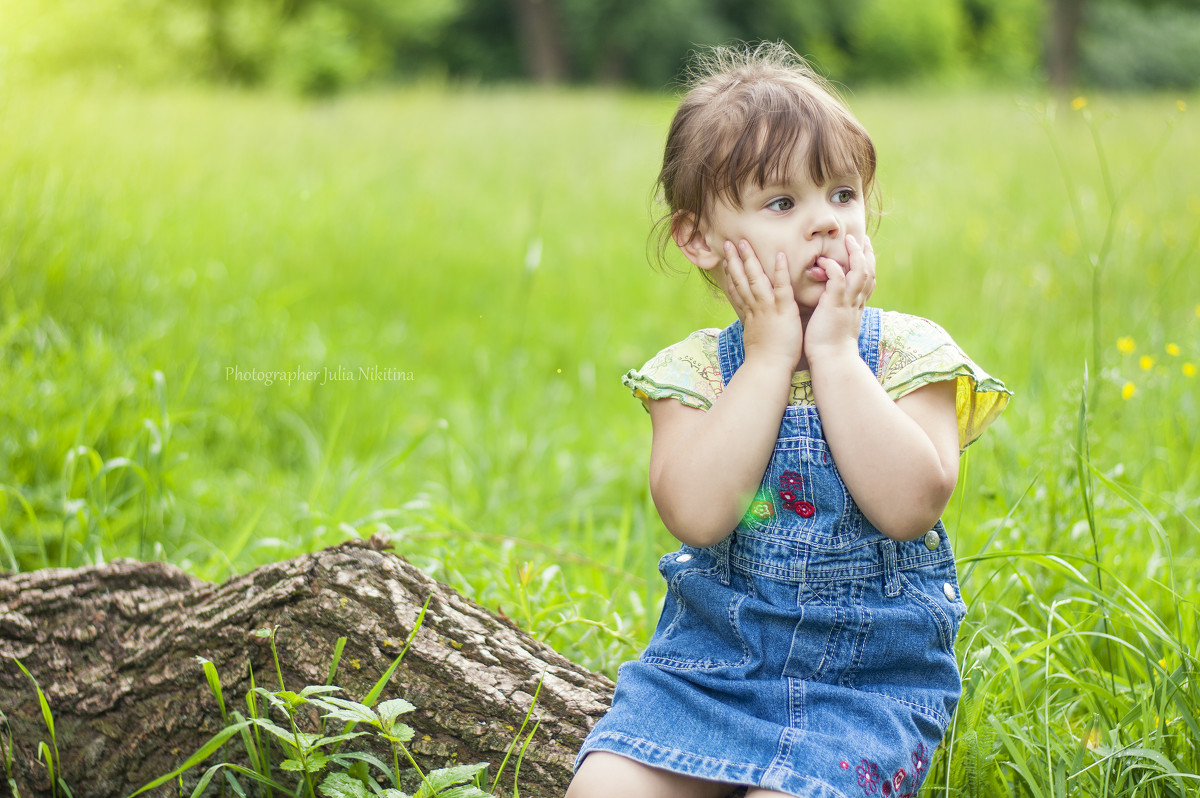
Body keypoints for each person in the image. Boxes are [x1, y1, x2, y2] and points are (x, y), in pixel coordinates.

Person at [567, 42, 1011, 798]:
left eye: (842, 194)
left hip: (868, 688)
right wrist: (770, 357)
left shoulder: (909, 355)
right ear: (699, 238)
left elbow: (910, 507)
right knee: (602, 789)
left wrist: (833, 352)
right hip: (710, 671)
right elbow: (699, 517)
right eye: (782, 204)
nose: (826, 224)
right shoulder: (695, 375)